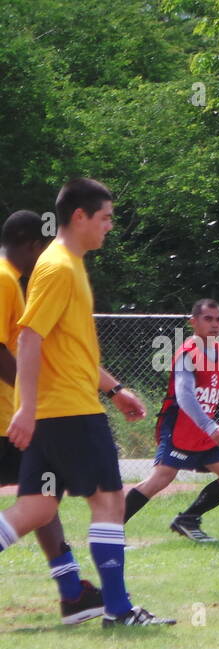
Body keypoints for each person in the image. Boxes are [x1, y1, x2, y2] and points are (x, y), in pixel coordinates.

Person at [0, 178, 174, 627]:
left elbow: (68, 347)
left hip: (60, 408)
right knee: (109, 502)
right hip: (68, 411)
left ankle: (99, 604)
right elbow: (30, 338)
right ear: (79, 216)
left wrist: (114, 390)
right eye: (105, 218)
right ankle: (118, 610)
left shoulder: (68, 263)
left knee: (37, 508)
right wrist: (27, 407)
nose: (110, 226)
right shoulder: (58, 267)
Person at [0, 209, 103, 622]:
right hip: (8, 420)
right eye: (43, 249)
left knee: (42, 496)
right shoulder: (6, 279)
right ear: (32, 245)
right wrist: (33, 397)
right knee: (43, 496)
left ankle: (72, 592)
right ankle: (72, 592)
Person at [123, 298, 219, 540]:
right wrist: (210, 426)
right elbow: (185, 394)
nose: (215, 324)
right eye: (208, 319)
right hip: (180, 427)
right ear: (193, 322)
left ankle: (187, 520)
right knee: (161, 478)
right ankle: (111, 529)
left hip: (203, 430)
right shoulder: (188, 353)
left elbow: (206, 391)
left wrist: (213, 425)